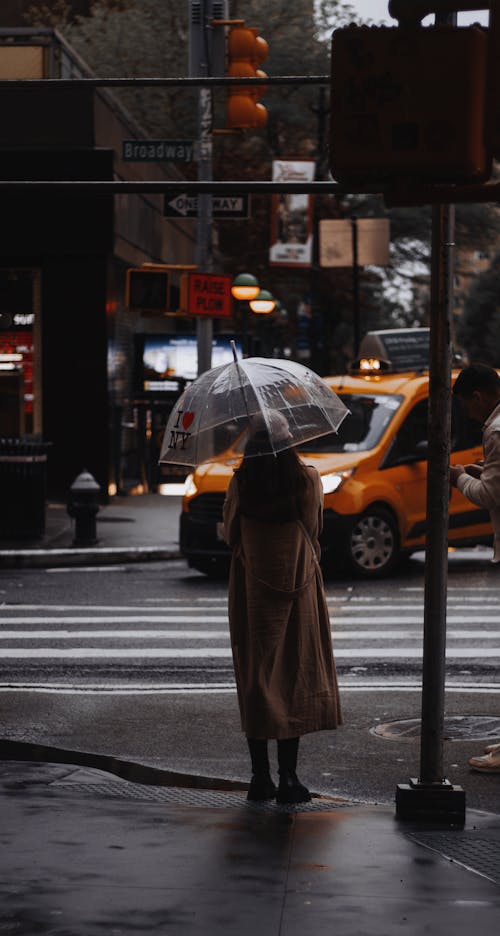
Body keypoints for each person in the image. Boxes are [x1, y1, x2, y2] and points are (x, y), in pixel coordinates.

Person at [222, 411, 342, 804]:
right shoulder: (306, 478)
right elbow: (314, 527)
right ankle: (289, 778)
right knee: (295, 672)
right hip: (298, 580)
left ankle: (260, 778)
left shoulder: (241, 481)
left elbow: (230, 533)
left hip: (252, 588)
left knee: (257, 675)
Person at [450, 363, 500, 773]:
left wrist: (458, 479)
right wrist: (482, 472)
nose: (467, 414)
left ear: (478, 397)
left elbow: (489, 497)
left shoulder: (495, 430)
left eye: (466, 405)